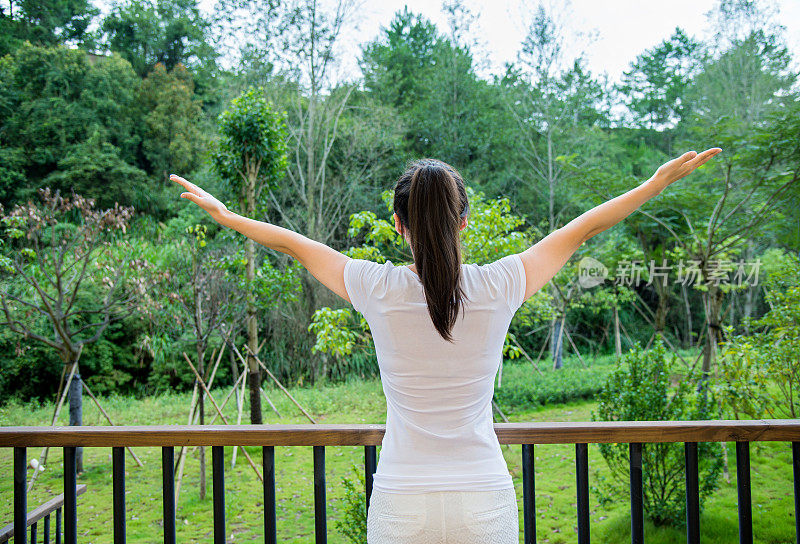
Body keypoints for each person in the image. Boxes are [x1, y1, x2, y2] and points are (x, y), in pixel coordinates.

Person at [171, 147, 721, 543]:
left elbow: (293, 243)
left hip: (401, 498)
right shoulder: (499, 284)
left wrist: (226, 215)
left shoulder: (377, 287)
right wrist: (653, 185)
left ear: (398, 225)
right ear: (463, 221)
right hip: (483, 495)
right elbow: (578, 231)